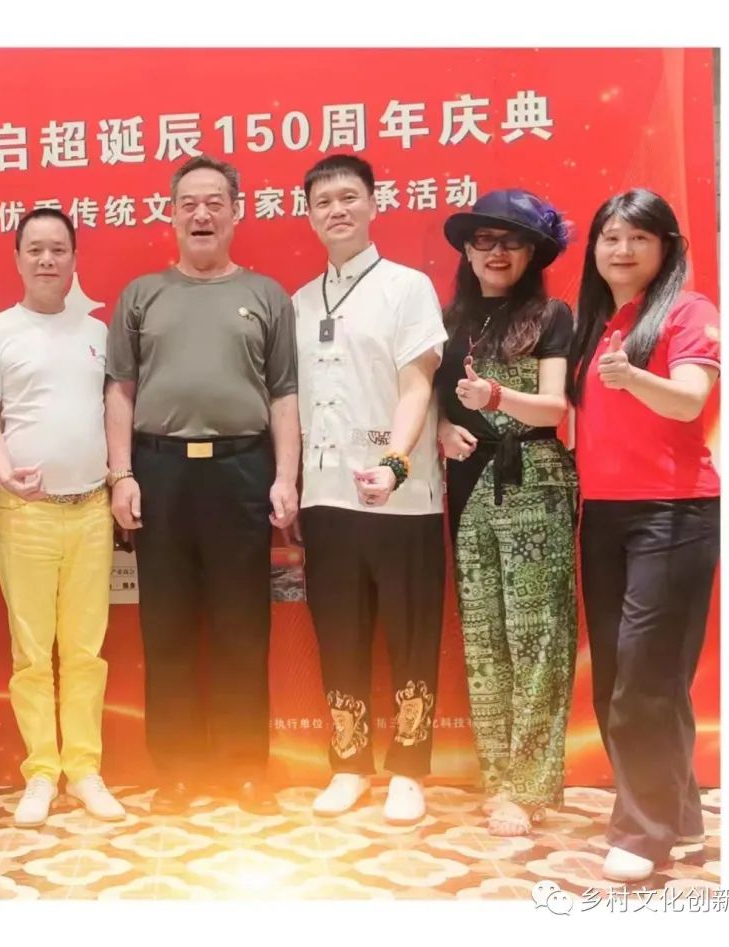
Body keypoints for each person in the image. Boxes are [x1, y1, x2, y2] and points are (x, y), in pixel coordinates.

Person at [105, 155, 300, 815]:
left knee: (242, 623)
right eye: (188, 202)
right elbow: (120, 390)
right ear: (171, 214)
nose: (201, 214)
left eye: (215, 201)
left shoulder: (267, 295)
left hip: (241, 469)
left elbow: (284, 394)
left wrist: (285, 476)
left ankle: (245, 767)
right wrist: (122, 473)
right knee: (167, 625)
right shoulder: (141, 295)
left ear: (236, 212)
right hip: (159, 470)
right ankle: (179, 770)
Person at [569, 188, 720, 882]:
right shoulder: (595, 321)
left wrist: (633, 377)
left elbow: (690, 400)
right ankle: (680, 819)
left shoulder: (688, 312)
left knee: (645, 680)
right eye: (609, 237)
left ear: (666, 248)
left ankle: (644, 830)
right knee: (623, 681)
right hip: (603, 515)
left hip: (673, 513)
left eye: (638, 238)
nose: (621, 250)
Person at [291, 154, 447, 824]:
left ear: (374, 204)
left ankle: (409, 769)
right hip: (326, 497)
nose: (337, 210)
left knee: (411, 634)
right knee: (339, 632)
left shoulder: (408, 288)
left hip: (403, 497)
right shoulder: (299, 302)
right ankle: (349, 763)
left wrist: (395, 463)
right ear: (309, 214)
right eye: (323, 201)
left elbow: (418, 385)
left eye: (349, 197)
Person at [0, 208, 124, 825]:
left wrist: (119, 479)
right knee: (32, 654)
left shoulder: (98, 333)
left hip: (90, 509)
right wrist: (6, 472)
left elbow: (115, 411)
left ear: (74, 258)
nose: (46, 260)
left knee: (86, 651)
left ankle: (84, 770)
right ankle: (40, 772)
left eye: (58, 249)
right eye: (34, 249)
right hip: (26, 513)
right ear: (17, 258)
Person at [437, 188, 578, 836]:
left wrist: (496, 394)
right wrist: (443, 427)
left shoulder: (551, 315)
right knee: (485, 638)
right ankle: (498, 777)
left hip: (536, 479)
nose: (497, 252)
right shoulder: (450, 321)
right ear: (467, 251)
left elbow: (555, 407)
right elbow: (434, 400)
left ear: (532, 254)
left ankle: (529, 786)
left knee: (537, 636)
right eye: (485, 240)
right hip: (469, 483)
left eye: (512, 242)